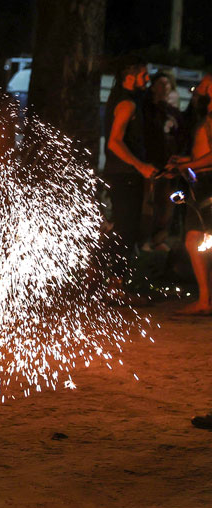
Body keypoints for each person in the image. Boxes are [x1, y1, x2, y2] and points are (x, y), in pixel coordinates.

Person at [103, 56, 157, 270]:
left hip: (122, 173)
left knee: (121, 227)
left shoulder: (120, 99)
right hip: (125, 174)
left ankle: (101, 281)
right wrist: (140, 165)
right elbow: (114, 142)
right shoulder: (127, 104)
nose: (147, 79)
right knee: (126, 229)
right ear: (130, 77)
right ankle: (115, 285)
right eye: (143, 75)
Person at [166, 77, 212, 315]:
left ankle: (205, 299)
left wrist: (192, 163)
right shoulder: (206, 115)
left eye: (205, 84)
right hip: (202, 182)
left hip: (209, 183)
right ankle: (205, 298)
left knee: (195, 240)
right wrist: (186, 162)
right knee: (196, 239)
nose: (199, 88)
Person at [140, 72, 182, 252]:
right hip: (151, 161)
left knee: (166, 204)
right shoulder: (147, 108)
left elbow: (180, 132)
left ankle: (159, 239)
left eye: (167, 84)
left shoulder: (172, 110)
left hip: (169, 163)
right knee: (149, 202)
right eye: (160, 83)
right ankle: (144, 239)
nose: (164, 88)